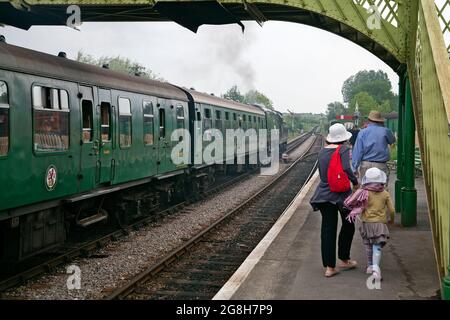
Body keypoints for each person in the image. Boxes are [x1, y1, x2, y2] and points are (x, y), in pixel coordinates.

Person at [310, 123, 359, 277]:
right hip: (342, 195)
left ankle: (330, 267)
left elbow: (322, 173)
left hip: (324, 195)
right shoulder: (343, 149)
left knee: (328, 229)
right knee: (349, 224)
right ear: (343, 138)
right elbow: (346, 167)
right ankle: (344, 259)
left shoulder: (322, 151)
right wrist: (355, 182)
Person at [344, 167, 394, 280]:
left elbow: (356, 205)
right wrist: (392, 219)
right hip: (380, 224)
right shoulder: (385, 194)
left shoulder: (364, 193)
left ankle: (370, 265)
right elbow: (392, 210)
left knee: (368, 245)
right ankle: (376, 269)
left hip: (366, 223)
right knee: (377, 246)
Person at [351, 110, 395, 185]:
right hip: (381, 165)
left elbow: (358, 151)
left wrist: (354, 168)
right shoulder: (385, 131)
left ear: (369, 120)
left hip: (366, 165)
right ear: (380, 121)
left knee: (365, 190)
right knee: (381, 191)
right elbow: (392, 140)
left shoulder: (362, 132)